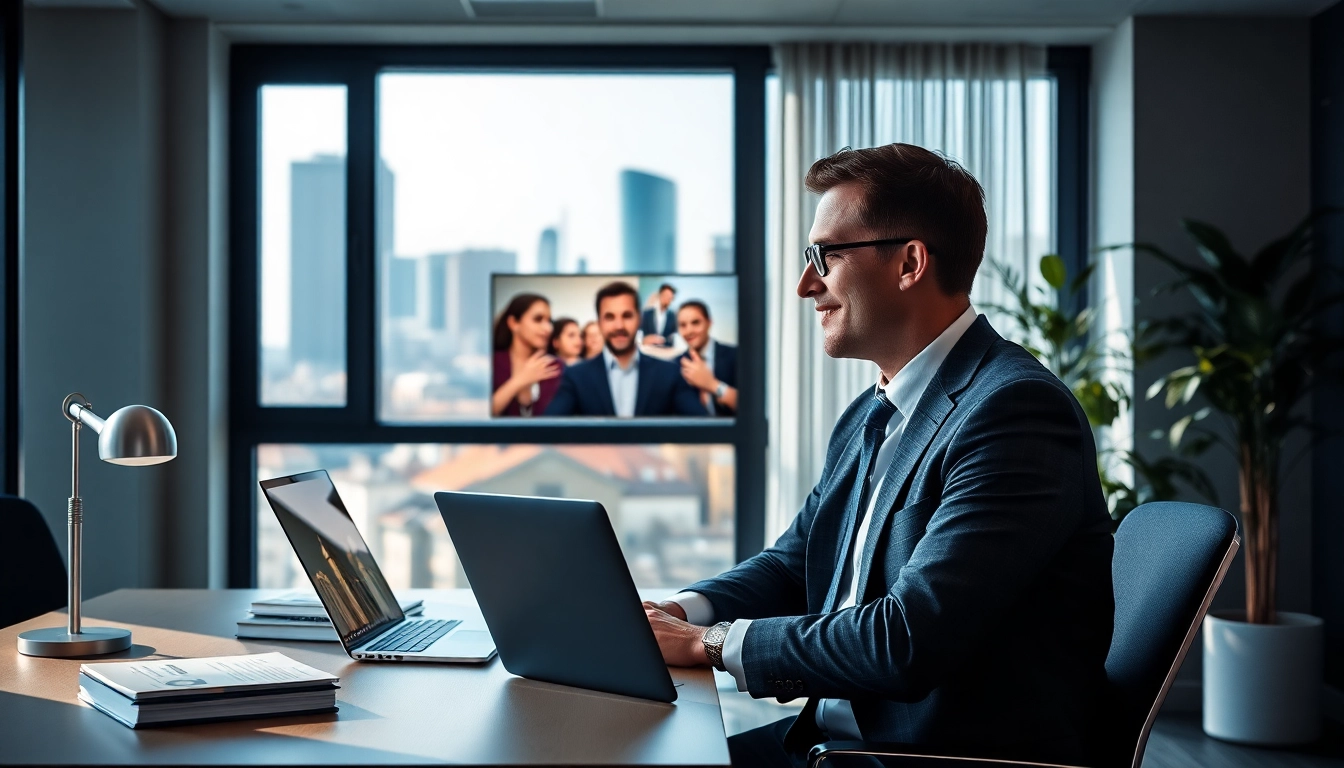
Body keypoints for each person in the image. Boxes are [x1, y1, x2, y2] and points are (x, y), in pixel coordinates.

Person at [640, 144, 1114, 767]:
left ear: (910, 262)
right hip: (834, 744)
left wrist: (709, 643)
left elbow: (908, 638)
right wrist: (675, 612)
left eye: (826, 256)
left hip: (925, 757)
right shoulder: (872, 412)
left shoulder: (1015, 411)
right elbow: (796, 563)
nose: (807, 284)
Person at [546, 281, 707, 417]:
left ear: (639, 319)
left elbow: (702, 427)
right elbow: (548, 430)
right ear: (600, 323)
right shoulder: (576, 377)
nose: (619, 326)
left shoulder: (669, 374)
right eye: (609, 317)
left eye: (627, 316)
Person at [490, 293, 562, 417]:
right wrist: (520, 380)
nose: (548, 328)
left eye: (549, 321)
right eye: (538, 319)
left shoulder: (555, 366)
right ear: (513, 323)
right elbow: (484, 413)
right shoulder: (494, 362)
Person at [677, 300, 737, 416]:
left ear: (709, 322)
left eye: (695, 323)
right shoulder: (676, 365)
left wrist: (712, 385)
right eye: (683, 325)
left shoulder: (735, 355)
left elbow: (752, 407)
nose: (689, 331)